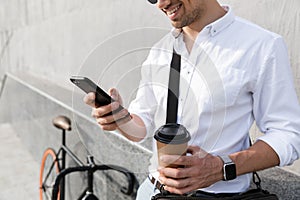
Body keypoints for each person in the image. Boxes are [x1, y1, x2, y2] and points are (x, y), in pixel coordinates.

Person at [84, 0, 300, 199]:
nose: (161, 3)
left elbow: (288, 134)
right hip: (152, 192)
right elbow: (141, 127)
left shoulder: (261, 45)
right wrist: (120, 118)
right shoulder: (159, 51)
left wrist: (220, 167)